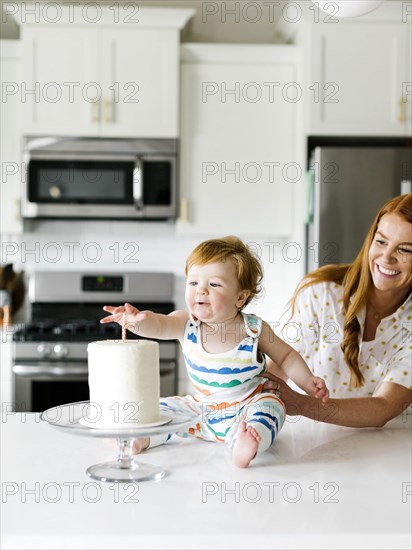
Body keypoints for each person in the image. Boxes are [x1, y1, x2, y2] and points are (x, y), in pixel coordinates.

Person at [101, 236, 329, 468]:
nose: (201, 291)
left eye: (214, 285)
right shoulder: (185, 323)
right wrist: (137, 322)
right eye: (193, 283)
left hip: (246, 407)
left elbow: (286, 356)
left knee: (272, 407)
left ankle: (246, 445)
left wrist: (307, 381)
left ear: (240, 297)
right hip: (201, 409)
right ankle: (140, 439)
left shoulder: (254, 329)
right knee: (164, 409)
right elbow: (158, 325)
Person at [263, 194, 412, 428]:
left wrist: (300, 404)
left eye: (404, 250)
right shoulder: (322, 293)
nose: (386, 257)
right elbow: (278, 367)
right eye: (381, 242)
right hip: (311, 443)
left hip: (385, 452)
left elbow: (384, 406)